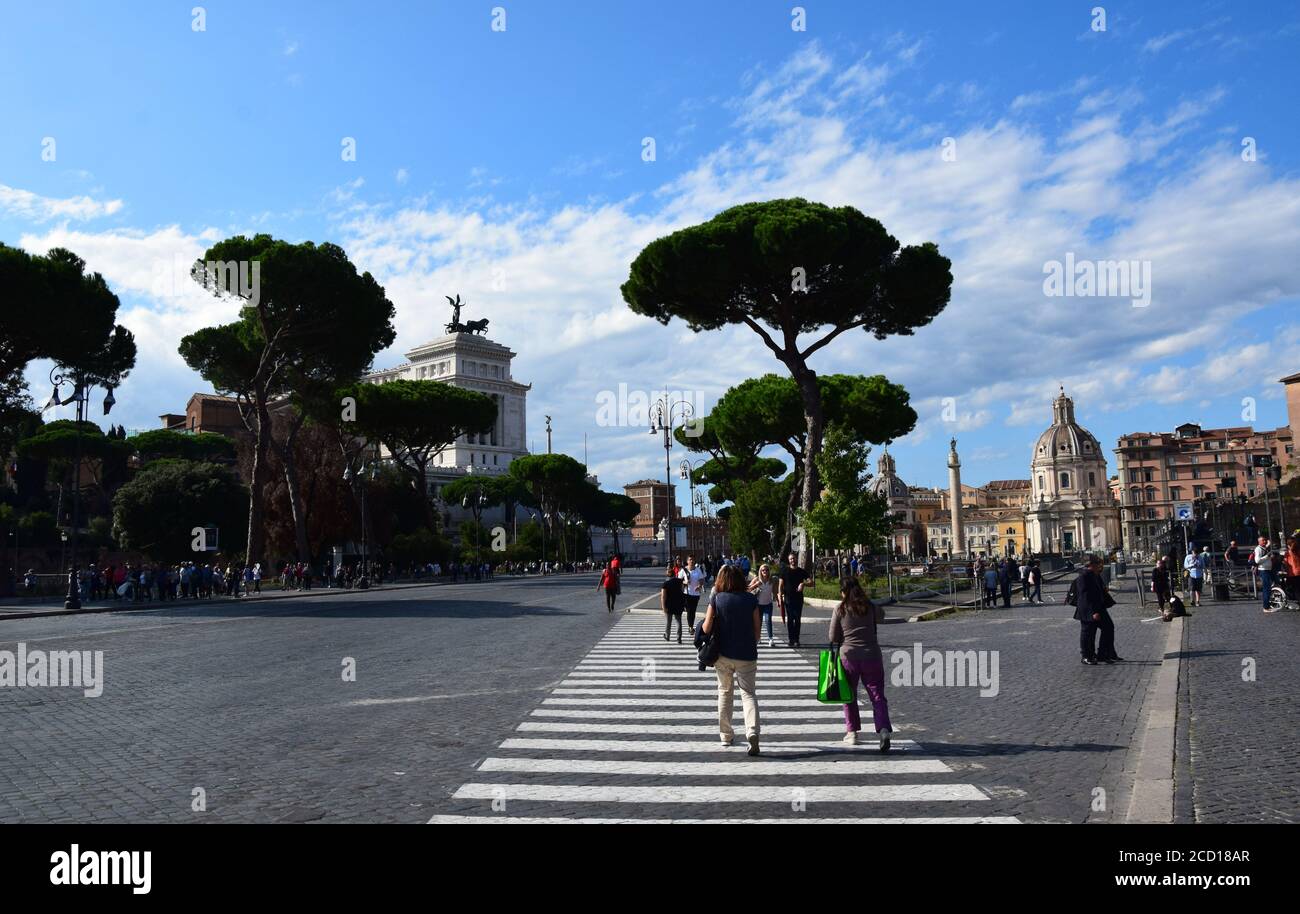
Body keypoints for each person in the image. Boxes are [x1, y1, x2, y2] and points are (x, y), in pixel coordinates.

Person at [700, 564, 761, 755]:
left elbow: (706, 628)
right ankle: (752, 732)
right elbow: (757, 634)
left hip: (723, 655)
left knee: (724, 693)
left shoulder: (717, 599)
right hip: (747, 654)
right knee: (748, 694)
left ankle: (726, 735)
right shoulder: (750, 600)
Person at [829, 577, 893, 750]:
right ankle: (883, 729)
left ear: (843, 592)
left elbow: (832, 637)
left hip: (848, 657)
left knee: (849, 695)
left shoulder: (840, 609)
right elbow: (882, 615)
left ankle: (852, 733)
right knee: (877, 695)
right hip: (872, 656)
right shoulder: (869, 606)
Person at [1072, 554, 1120, 665]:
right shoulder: (1083, 577)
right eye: (1097, 564)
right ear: (1091, 565)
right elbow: (1085, 597)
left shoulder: (1095, 575)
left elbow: (1099, 591)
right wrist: (1092, 612)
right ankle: (1086, 656)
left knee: (1108, 627)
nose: (1099, 566)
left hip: (1099, 608)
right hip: (1089, 610)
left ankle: (1103, 653)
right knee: (1088, 633)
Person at [777, 552, 811, 648]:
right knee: (790, 619)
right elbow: (780, 585)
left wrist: (804, 584)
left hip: (798, 598)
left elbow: (811, 582)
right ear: (789, 560)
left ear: (797, 559)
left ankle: (797, 639)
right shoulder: (784, 571)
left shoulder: (801, 571)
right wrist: (780, 596)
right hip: (788, 598)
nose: (793, 560)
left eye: (794, 558)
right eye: (791, 559)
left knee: (797, 619)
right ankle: (791, 639)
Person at [748, 563, 776, 647]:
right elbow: (748, 589)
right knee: (758, 622)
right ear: (760, 571)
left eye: (767, 570)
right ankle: (758, 638)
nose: (765, 571)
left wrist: (778, 599)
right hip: (758, 605)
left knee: (768, 621)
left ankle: (770, 639)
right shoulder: (756, 579)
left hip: (768, 604)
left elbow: (774, 591)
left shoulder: (771, 580)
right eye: (763, 570)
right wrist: (756, 585)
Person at [678, 555, 708, 633]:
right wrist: (685, 582)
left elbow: (701, 580)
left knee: (693, 611)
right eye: (690, 560)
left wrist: (699, 586)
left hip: (695, 594)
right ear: (687, 561)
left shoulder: (698, 570)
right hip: (686, 594)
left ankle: (690, 626)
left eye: (693, 560)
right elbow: (678, 581)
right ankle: (690, 627)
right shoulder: (683, 570)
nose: (692, 561)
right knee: (689, 610)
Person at [661, 565, 685, 642]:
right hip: (678, 604)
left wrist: (663, 607)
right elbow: (682, 591)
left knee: (668, 621)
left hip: (669, 605)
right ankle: (679, 638)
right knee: (678, 621)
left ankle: (667, 636)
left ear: (668, 573)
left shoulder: (665, 583)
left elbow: (663, 596)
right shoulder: (679, 581)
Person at [1251, 536, 1274, 612]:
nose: (1264, 541)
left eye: (1265, 540)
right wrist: (1267, 556)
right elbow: (1257, 561)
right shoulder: (1258, 549)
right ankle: (1266, 607)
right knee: (1266, 588)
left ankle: (1270, 604)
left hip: (1268, 569)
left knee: (1271, 587)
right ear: (1259, 542)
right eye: (1263, 540)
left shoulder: (1264, 548)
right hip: (1263, 570)